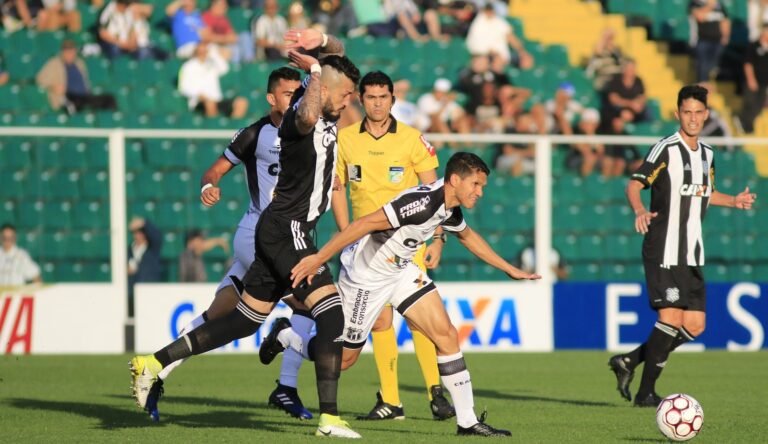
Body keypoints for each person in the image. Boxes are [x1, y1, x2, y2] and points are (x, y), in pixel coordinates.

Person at [130, 28, 363, 438]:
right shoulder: (300, 118)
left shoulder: (328, 103)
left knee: (241, 320)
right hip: (284, 231)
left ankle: (153, 362)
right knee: (332, 314)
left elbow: (338, 67)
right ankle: (328, 416)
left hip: (284, 231)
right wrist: (312, 70)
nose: (349, 103)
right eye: (344, 96)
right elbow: (311, 107)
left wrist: (323, 41)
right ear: (322, 89)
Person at [272, 152, 540, 437]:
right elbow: (362, 225)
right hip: (367, 276)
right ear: (454, 180)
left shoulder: (449, 208)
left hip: (401, 271)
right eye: (475, 184)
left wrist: (510, 269)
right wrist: (318, 258)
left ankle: (467, 422)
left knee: (446, 334)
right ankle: (286, 335)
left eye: (482, 186)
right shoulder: (420, 203)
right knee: (344, 361)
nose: (480, 192)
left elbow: (468, 237)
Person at [140, 66, 309, 422]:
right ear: (271, 98)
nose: (293, 99)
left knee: (217, 316)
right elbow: (214, 170)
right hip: (260, 237)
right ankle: (286, 379)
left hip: (288, 238)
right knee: (313, 305)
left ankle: (155, 371)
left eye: (299, 94)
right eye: (287, 94)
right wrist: (208, 186)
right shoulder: (255, 134)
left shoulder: (310, 133)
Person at [609, 85, 757, 407]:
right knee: (671, 318)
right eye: (686, 112)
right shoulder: (665, 148)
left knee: (695, 325)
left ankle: (630, 361)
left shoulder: (708, 155)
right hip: (664, 247)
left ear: (706, 115)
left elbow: (704, 192)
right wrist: (638, 210)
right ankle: (645, 393)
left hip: (692, 251)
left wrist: (733, 200)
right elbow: (633, 184)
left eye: (698, 112)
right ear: (678, 114)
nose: (692, 118)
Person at [330, 70, 454, 421]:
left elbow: (438, 194)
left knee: (419, 321)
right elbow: (337, 188)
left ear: (392, 100)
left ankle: (436, 392)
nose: (378, 103)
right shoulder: (346, 140)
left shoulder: (413, 139)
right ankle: (391, 401)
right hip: (366, 247)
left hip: (407, 244)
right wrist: (346, 235)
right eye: (370, 97)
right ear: (361, 99)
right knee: (381, 322)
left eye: (383, 97)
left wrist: (439, 238)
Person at [36, 40, 118, 113]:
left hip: (85, 96)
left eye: (72, 51)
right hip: (69, 97)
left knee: (109, 99)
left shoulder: (79, 63)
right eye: (67, 51)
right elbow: (39, 79)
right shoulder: (54, 63)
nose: (70, 54)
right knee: (76, 106)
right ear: (62, 52)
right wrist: (52, 87)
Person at [177, 41, 249, 118]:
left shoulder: (212, 64)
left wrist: (213, 53)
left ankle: (234, 127)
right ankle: (213, 125)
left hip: (217, 100)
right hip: (199, 102)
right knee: (210, 104)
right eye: (201, 50)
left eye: (205, 50)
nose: (203, 52)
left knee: (241, 102)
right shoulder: (187, 66)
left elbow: (224, 68)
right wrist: (198, 95)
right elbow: (183, 88)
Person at [465, 3, 533, 69]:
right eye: (488, 10)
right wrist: (494, 55)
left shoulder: (498, 21)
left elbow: (510, 36)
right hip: (485, 58)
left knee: (527, 61)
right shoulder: (478, 24)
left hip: (503, 58)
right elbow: (478, 48)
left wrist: (522, 52)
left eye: (492, 10)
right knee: (485, 63)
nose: (490, 12)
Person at [127, 217, 163, 316]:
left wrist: (144, 223)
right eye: (135, 232)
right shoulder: (129, 250)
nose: (138, 235)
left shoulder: (152, 250)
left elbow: (157, 235)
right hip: (132, 294)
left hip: (149, 292)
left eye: (140, 232)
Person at [689, 0, 730, 83]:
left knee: (713, 66)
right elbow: (699, 17)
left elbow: (725, 20)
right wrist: (710, 5)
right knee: (703, 64)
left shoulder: (719, 5)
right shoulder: (696, 3)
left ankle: (707, 83)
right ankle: (702, 84)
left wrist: (725, 36)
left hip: (717, 40)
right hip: (703, 39)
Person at [738, 25, 768, 134]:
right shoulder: (753, 46)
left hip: (764, 83)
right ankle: (743, 124)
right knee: (750, 103)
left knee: (759, 106)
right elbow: (748, 64)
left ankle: (748, 126)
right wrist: (751, 79)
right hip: (753, 81)